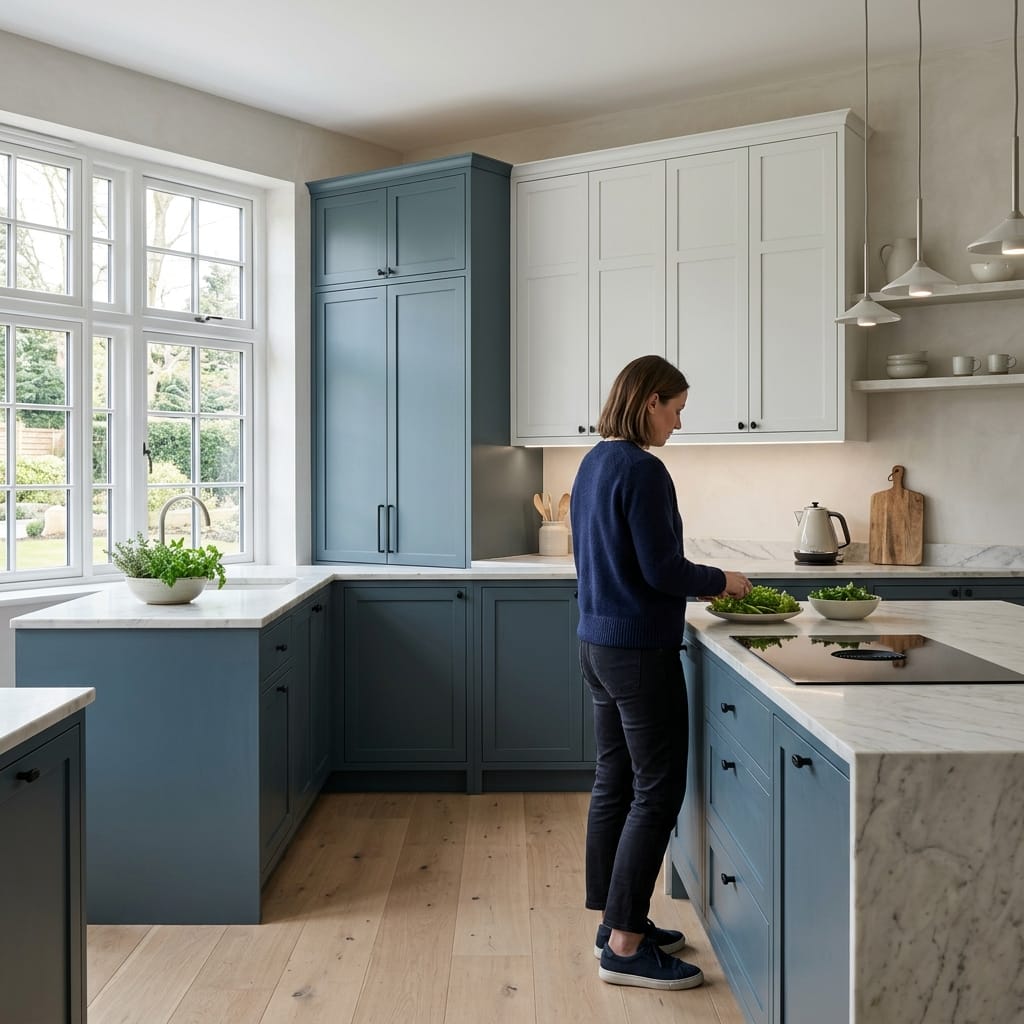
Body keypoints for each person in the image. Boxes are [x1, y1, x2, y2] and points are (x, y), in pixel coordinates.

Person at [570, 354, 752, 991]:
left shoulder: (594, 462)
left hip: (597, 645)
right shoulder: (644, 470)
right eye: (675, 409)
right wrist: (723, 581)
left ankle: (616, 922)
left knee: (613, 783)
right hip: (639, 654)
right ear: (649, 401)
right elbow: (661, 570)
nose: (677, 423)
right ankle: (624, 946)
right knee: (657, 791)